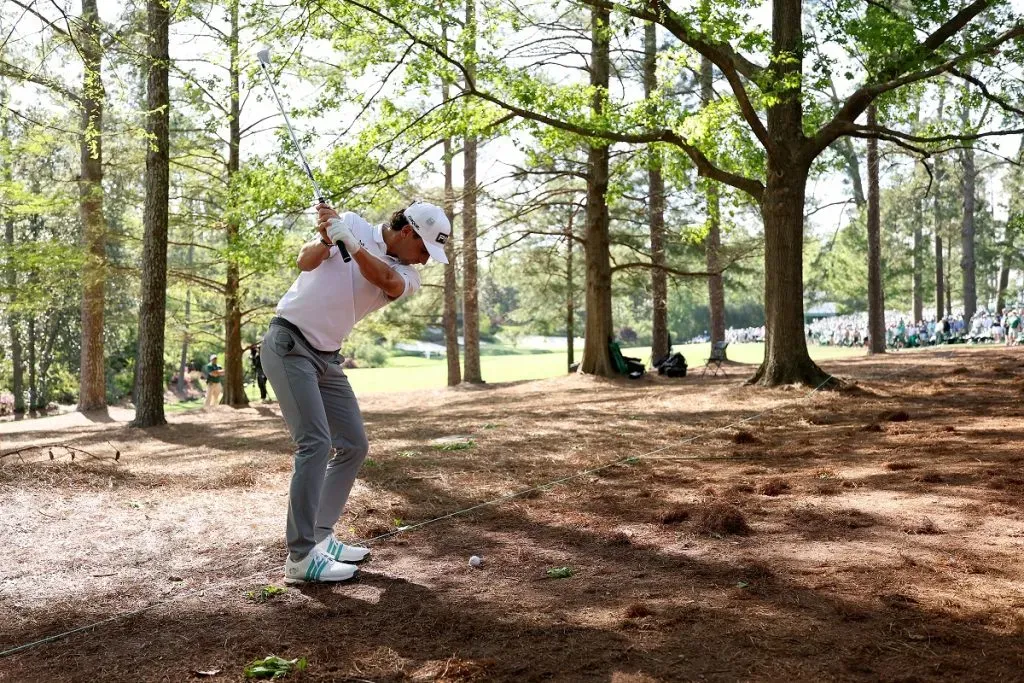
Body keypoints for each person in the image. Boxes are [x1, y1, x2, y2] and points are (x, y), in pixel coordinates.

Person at [262, 200, 451, 584]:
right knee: (315, 444)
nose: (426, 260)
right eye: (424, 250)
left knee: (353, 444)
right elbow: (305, 262)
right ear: (408, 232)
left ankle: (320, 535)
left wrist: (353, 244)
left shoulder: (405, 273)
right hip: (289, 344)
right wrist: (326, 238)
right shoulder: (350, 222)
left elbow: (387, 281)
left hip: (327, 357)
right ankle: (300, 558)